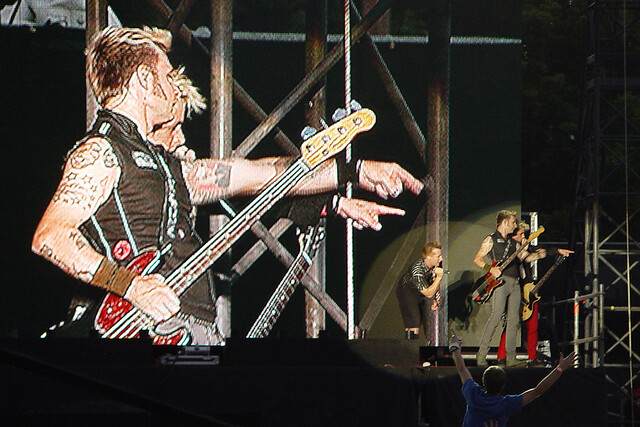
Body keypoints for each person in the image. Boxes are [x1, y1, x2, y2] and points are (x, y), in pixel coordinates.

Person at [31, 26, 424, 344]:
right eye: (166, 76)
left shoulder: (165, 165)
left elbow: (259, 173)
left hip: (187, 327)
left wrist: (352, 171)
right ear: (145, 82)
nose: (173, 85)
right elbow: (51, 237)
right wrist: (130, 286)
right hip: (143, 332)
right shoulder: (100, 151)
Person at [449, 330, 578, 426]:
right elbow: (537, 391)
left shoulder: (473, 395)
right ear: (503, 385)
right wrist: (559, 369)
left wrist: (455, 347)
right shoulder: (506, 404)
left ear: (483, 381)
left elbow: (462, 369)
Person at [473, 210, 546, 366]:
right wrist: (490, 269)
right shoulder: (491, 239)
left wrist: (539, 255)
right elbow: (478, 259)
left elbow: (525, 257)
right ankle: (481, 355)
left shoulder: (513, 243)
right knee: (495, 317)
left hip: (515, 283)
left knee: (513, 321)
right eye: (513, 222)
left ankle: (511, 357)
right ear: (505, 222)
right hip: (501, 282)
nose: (515, 225)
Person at [496, 221, 574, 366]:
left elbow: (541, 251)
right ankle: (501, 357)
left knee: (533, 326)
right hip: (514, 289)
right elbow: (524, 258)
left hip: (529, 289)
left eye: (524, 234)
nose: (523, 237)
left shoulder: (526, 246)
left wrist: (557, 251)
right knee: (511, 324)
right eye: (521, 234)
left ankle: (532, 357)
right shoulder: (508, 249)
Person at [395, 241, 444, 340]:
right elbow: (428, 293)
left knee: (426, 322)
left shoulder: (437, 264)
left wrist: (435, 299)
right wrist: (439, 277)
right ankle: (411, 347)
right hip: (408, 291)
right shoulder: (417, 271)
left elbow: (434, 283)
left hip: (422, 291)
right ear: (428, 257)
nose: (441, 258)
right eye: (438, 256)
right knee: (414, 323)